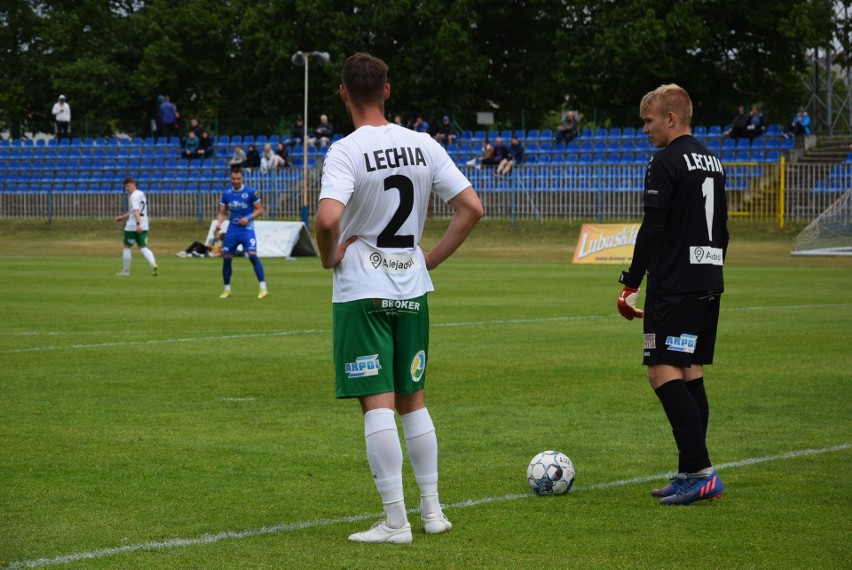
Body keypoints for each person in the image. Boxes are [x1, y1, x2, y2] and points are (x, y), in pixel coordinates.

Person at [316, 53, 483, 544]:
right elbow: (471, 207)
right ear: (387, 91)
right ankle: (433, 512)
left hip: (363, 290)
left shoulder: (345, 150)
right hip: (412, 286)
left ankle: (395, 522)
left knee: (378, 406)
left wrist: (329, 257)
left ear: (344, 93)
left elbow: (328, 221)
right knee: (414, 401)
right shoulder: (423, 144)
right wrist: (428, 259)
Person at [617, 84, 728, 506]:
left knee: (661, 371)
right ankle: (689, 471)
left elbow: (654, 227)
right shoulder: (714, 161)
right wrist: (712, 269)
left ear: (671, 118)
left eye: (648, 121)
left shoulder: (665, 161)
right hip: (707, 278)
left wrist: (632, 281)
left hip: (676, 283)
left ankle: (700, 471)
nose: (645, 129)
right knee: (689, 370)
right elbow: (723, 229)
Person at [215, 168, 268, 299]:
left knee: (252, 256)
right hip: (232, 230)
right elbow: (222, 212)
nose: (236, 181)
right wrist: (219, 224)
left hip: (247, 229)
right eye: (234, 179)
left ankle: (263, 288)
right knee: (226, 259)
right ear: (230, 179)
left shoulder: (250, 192)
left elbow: (259, 210)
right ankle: (227, 290)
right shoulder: (226, 193)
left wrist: (248, 217)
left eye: (238, 179)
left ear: (242, 178)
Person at [114, 177, 158, 276]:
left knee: (127, 247)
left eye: (128, 186)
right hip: (145, 224)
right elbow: (133, 211)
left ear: (134, 184)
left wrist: (138, 224)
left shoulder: (133, 196)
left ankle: (125, 271)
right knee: (143, 246)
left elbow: (136, 211)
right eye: (125, 187)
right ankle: (153, 264)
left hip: (133, 226)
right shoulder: (141, 194)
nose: (126, 189)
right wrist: (122, 217)